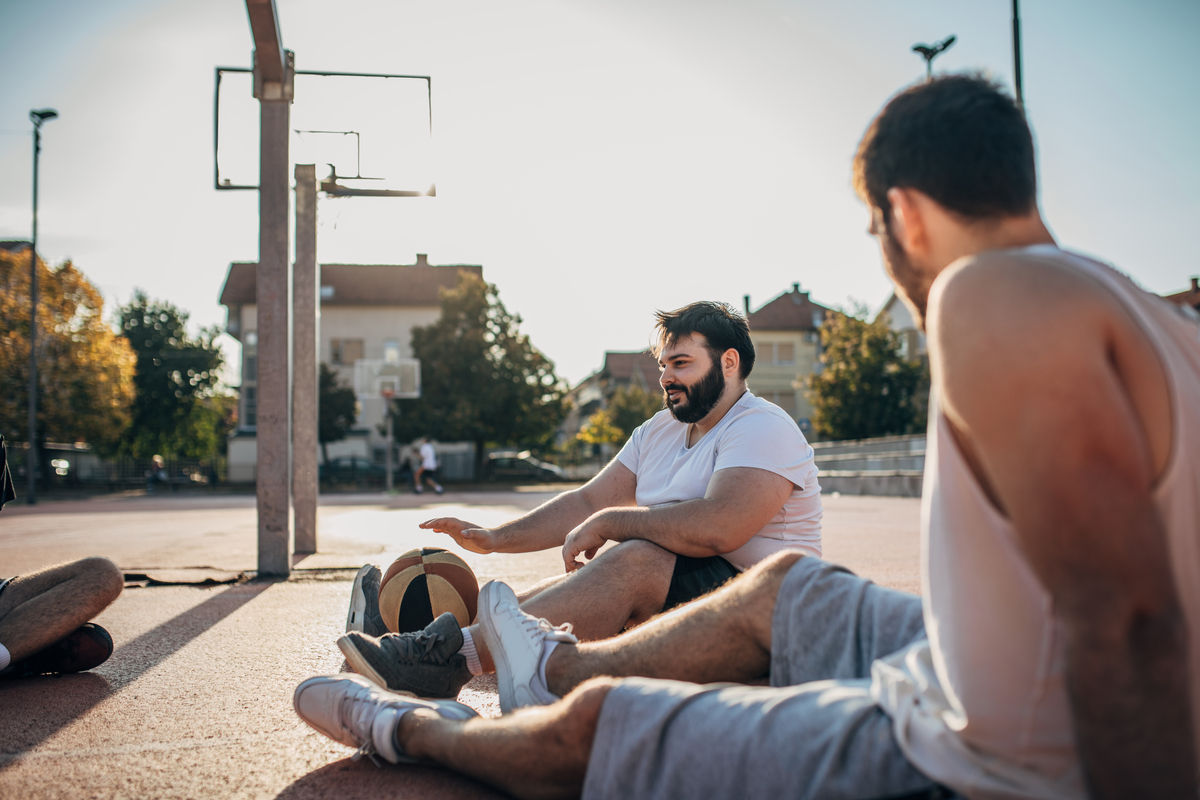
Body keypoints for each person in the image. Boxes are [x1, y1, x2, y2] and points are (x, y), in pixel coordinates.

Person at [295, 74, 1199, 799]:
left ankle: (405, 726)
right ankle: (546, 666)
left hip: (990, 754)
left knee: (602, 730)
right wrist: (499, 536)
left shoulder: (989, 295)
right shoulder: (1154, 316)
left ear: (907, 213)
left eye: (876, 228)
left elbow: (1127, 616)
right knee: (791, 589)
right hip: (975, 661)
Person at [339, 301, 823, 700]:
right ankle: (407, 638)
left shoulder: (762, 425)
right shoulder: (660, 431)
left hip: (768, 617)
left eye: (682, 364)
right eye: (663, 366)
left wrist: (615, 521)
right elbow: (589, 499)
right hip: (695, 603)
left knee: (636, 556)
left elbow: (721, 526)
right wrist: (495, 539)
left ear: (729, 362)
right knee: (553, 593)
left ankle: (446, 663)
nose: (667, 378)